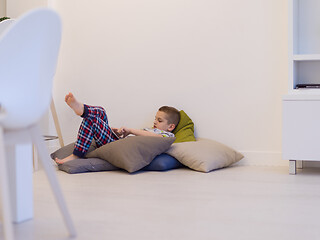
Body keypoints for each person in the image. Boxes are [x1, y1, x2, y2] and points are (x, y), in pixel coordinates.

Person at [54, 93, 180, 164]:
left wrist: (130, 130)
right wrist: (118, 133)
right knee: (101, 112)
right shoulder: (151, 130)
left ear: (171, 127)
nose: (155, 122)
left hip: (116, 146)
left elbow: (155, 138)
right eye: (155, 118)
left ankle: (77, 155)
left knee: (92, 120)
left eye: (159, 120)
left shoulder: (167, 137)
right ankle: (82, 109)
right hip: (117, 142)